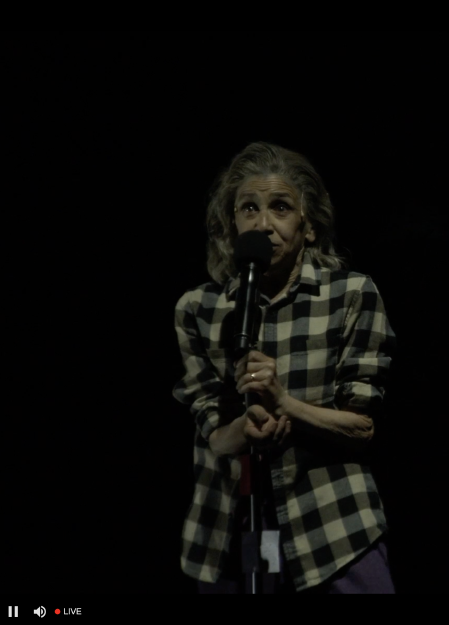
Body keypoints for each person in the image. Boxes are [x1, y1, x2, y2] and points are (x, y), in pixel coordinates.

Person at [172, 142, 397, 593]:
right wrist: (241, 430)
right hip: (232, 533)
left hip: (333, 526)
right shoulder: (199, 308)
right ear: (231, 225)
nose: (263, 224)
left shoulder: (350, 295)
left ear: (308, 225)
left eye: (280, 207)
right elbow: (210, 432)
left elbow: (363, 426)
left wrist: (284, 404)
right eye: (248, 209)